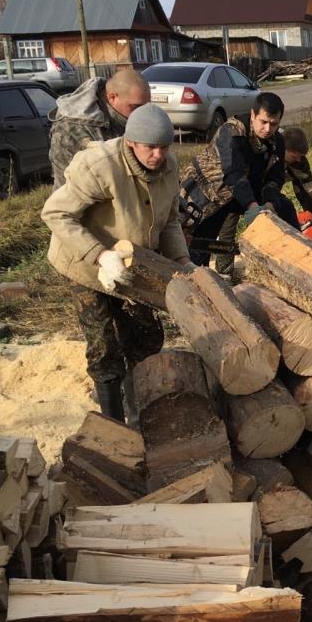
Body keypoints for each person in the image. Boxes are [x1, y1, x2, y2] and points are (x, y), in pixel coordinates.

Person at [42, 103, 193, 422]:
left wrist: (182, 261)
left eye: (164, 147)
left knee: (147, 337)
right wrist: (100, 254)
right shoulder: (100, 165)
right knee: (104, 345)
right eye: (151, 148)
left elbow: (169, 221)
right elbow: (56, 213)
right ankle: (113, 424)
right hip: (85, 264)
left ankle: (141, 410)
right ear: (130, 143)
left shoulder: (169, 167)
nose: (158, 155)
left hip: (132, 262)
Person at [179, 91, 297, 275]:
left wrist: (269, 203)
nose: (268, 129)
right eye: (263, 122)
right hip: (208, 192)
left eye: (274, 124)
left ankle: (298, 260)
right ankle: (196, 278)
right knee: (200, 242)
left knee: (285, 208)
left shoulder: (277, 141)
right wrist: (252, 206)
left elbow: (275, 177)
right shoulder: (232, 131)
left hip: (242, 190)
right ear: (253, 115)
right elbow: (233, 174)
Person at [48, 68, 152, 189]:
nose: (142, 113)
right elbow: (69, 187)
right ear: (112, 97)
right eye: (135, 107)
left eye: (145, 107)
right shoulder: (72, 127)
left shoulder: (130, 116)